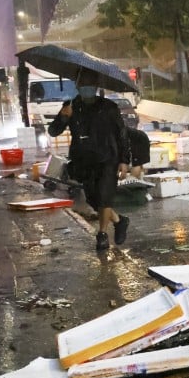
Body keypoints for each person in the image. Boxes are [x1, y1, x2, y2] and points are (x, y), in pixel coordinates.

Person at [48, 70, 131, 251]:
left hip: (108, 158)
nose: (87, 89)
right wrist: (64, 116)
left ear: (96, 88)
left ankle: (102, 235)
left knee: (104, 197)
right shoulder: (71, 106)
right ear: (77, 87)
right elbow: (53, 131)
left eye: (90, 86)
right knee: (94, 199)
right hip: (84, 161)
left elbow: (122, 135)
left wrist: (124, 160)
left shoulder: (109, 107)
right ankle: (119, 221)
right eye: (83, 85)